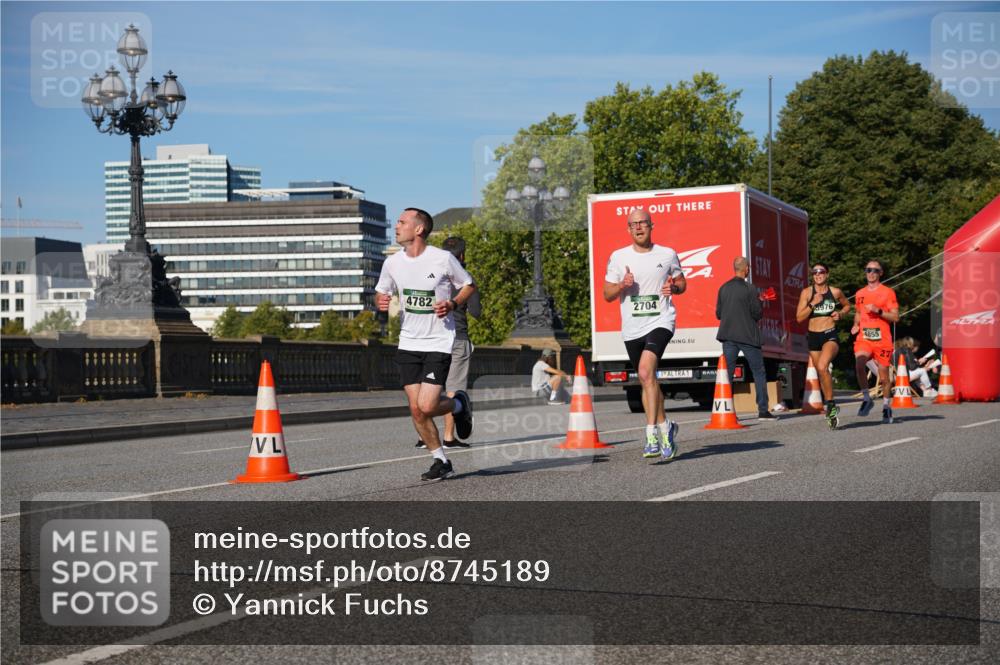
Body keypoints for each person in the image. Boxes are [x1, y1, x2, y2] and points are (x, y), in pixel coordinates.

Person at [375, 208, 476, 481]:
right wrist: (380, 300)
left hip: (438, 341)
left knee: (428, 406)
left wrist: (452, 303)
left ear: (418, 229)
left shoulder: (442, 259)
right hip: (408, 341)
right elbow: (381, 291)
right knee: (416, 409)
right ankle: (440, 460)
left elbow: (468, 285)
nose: (396, 226)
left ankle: (459, 405)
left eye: (402, 222)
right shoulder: (392, 262)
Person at [603, 208, 687, 460]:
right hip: (632, 327)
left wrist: (674, 288)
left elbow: (681, 282)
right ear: (628, 229)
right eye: (634, 224)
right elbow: (607, 294)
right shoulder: (618, 257)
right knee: (647, 379)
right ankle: (666, 426)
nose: (639, 227)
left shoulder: (667, 254)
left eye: (643, 223)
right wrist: (622, 285)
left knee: (644, 371)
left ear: (651, 226)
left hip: (661, 320)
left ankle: (651, 437)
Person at [717, 256, 776, 421]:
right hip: (748, 336)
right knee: (758, 372)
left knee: (727, 375)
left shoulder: (723, 288)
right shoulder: (750, 289)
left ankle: (728, 411)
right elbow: (757, 314)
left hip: (728, 336)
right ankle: (763, 410)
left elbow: (719, 314)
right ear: (747, 269)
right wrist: (760, 301)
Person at [795, 262, 851, 428]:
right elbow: (799, 318)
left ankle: (830, 405)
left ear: (827, 274)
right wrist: (813, 303)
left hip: (829, 334)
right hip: (813, 336)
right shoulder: (807, 292)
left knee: (821, 366)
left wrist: (840, 314)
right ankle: (831, 404)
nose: (818, 275)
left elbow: (847, 305)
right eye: (815, 272)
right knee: (822, 372)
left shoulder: (835, 292)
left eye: (821, 272)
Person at [851, 259, 900, 424]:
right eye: (868, 270)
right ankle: (867, 399)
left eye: (875, 270)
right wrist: (856, 324)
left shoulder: (888, 292)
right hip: (864, 338)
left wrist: (878, 311)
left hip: (882, 340)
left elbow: (895, 317)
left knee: (885, 377)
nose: (871, 273)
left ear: (881, 273)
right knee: (859, 364)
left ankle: (886, 407)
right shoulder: (859, 293)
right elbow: (858, 313)